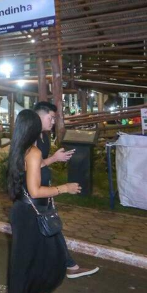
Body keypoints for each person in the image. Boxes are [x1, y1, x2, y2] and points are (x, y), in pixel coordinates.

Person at [7, 109, 81, 293]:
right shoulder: (33, 152)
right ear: (33, 127)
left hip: (23, 211)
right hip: (32, 215)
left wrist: (53, 159)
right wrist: (64, 188)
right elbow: (35, 190)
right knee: (46, 261)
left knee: (27, 261)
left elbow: (36, 167)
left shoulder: (20, 148)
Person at [33, 101, 100, 280]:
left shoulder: (44, 136)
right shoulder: (31, 137)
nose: (53, 121)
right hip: (35, 192)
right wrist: (55, 159)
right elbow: (34, 164)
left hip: (44, 188)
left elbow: (41, 162)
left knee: (49, 228)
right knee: (50, 228)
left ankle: (66, 265)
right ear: (39, 116)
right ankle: (69, 266)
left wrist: (55, 159)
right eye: (51, 118)